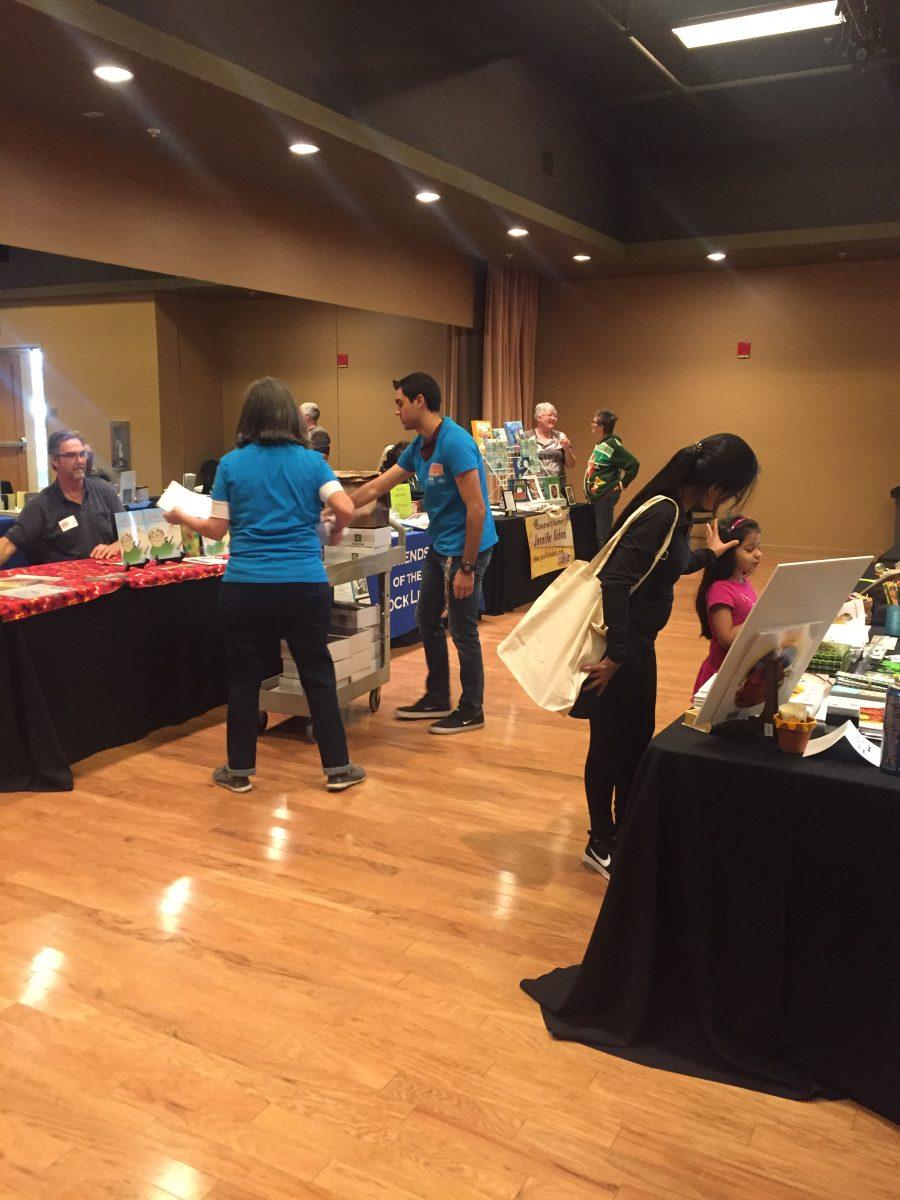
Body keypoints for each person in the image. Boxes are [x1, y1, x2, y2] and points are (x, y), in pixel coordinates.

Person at [163, 377, 364, 794]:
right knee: (317, 673)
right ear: (293, 417)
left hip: (247, 586)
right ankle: (337, 768)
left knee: (243, 679)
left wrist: (181, 514)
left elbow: (217, 530)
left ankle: (239, 771)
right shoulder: (311, 462)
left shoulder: (232, 465)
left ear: (248, 417)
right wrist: (335, 530)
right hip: (304, 585)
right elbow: (345, 506)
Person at [574, 433, 759, 879]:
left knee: (634, 742)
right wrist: (617, 655)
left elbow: (663, 564)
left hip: (637, 648)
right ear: (716, 486)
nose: (726, 502)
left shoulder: (674, 511)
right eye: (731, 493)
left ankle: (622, 831)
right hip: (623, 651)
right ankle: (600, 841)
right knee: (610, 746)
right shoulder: (664, 510)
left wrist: (705, 555)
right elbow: (615, 581)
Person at [344, 372, 497, 734]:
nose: (396, 411)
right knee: (426, 618)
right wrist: (338, 507)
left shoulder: (455, 443)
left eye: (400, 403)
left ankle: (472, 708)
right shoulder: (420, 446)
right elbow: (381, 484)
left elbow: (476, 509)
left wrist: (467, 568)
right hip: (440, 545)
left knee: (462, 629)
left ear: (419, 402)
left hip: (467, 550)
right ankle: (437, 696)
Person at [0, 430, 122, 567]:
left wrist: (115, 547)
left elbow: (134, 534)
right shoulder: (40, 505)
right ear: (54, 461)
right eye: (71, 455)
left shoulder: (105, 491)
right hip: (65, 583)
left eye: (82, 454)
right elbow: (7, 545)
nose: (80, 461)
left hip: (109, 581)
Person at [693, 516, 762, 695]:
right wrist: (762, 618)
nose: (758, 554)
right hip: (721, 678)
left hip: (741, 672)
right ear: (728, 553)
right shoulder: (720, 590)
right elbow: (727, 639)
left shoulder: (744, 582)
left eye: (758, 547)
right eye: (749, 549)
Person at [584, 409, 640, 550]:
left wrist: (622, 484)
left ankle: (603, 568)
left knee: (603, 533)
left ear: (601, 426)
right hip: (597, 495)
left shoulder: (612, 445)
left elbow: (633, 464)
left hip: (605, 496)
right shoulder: (602, 444)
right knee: (595, 532)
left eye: (594, 422)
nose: (591, 424)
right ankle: (596, 564)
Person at [523, 403, 575, 485]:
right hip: (535, 488)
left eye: (555, 416)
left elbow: (571, 465)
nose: (553, 418)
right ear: (538, 417)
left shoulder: (560, 436)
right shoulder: (527, 437)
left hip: (557, 488)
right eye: (550, 415)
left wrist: (567, 449)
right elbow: (521, 465)